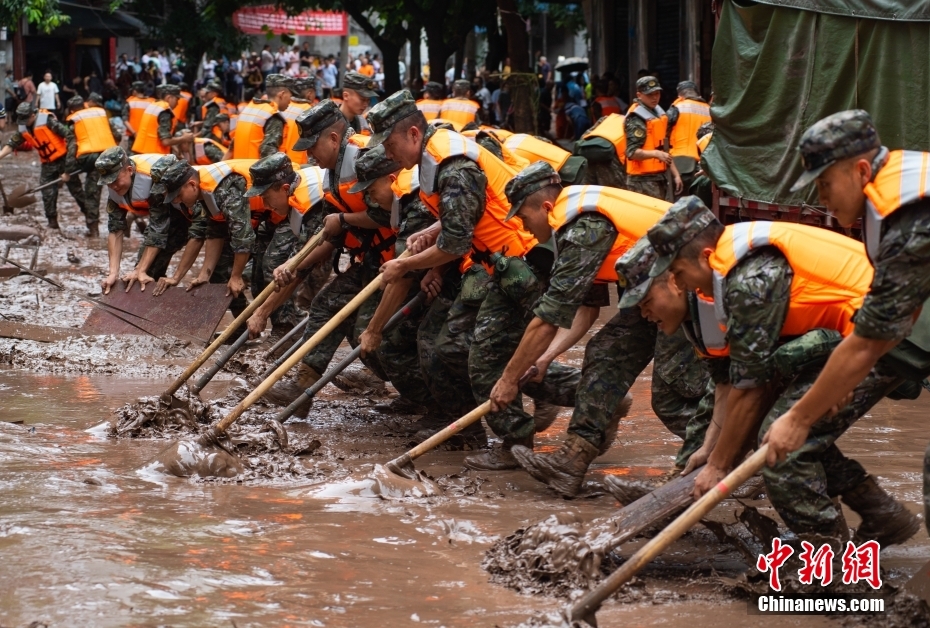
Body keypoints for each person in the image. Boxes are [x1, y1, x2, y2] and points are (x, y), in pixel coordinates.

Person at [645, 196, 919, 547]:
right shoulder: (731, 265)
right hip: (866, 330)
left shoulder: (748, 279)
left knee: (781, 446)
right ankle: (881, 514)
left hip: (889, 331)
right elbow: (736, 383)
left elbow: (750, 388)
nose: (681, 284)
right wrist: (712, 452)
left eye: (679, 273)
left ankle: (827, 559)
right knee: (786, 429)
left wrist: (719, 466)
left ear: (705, 256)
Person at [487, 163, 710, 491]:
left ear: (546, 207)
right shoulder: (573, 225)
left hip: (688, 286)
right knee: (606, 352)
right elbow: (586, 309)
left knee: (672, 394)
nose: (525, 228)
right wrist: (545, 358)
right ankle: (573, 458)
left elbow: (549, 317)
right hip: (652, 292)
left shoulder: (583, 228)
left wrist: (508, 380)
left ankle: (731, 461)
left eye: (524, 217)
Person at [762, 110, 930, 538]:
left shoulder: (909, 214)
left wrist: (798, 419)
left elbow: (870, 342)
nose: (821, 198)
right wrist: (840, 383)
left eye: (824, 183)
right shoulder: (892, 193)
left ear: (860, 171)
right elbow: (896, 318)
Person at [367, 90, 539, 448]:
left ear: (413, 133)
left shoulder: (454, 165)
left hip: (519, 263)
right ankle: (469, 431)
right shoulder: (433, 158)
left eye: (390, 144)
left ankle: (519, 436)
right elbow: (460, 219)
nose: (387, 155)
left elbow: (455, 244)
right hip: (491, 265)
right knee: (449, 347)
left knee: (479, 356)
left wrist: (404, 264)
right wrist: (433, 231)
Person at [255, 103, 396, 410]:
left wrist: (344, 220)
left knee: (369, 333)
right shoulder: (332, 172)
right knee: (326, 304)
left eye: (312, 146)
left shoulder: (364, 158)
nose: (308, 156)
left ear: (333, 139)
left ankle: (420, 394)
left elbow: (390, 214)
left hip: (400, 259)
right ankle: (302, 389)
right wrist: (293, 263)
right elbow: (330, 237)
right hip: (374, 258)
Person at [96, 148, 180, 293]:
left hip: (186, 214)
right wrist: (113, 273)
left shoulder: (152, 179)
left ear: (129, 170)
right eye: (108, 183)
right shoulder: (115, 189)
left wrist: (140, 270)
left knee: (145, 269)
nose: (113, 186)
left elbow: (158, 230)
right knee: (145, 272)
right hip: (162, 218)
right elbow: (115, 230)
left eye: (115, 180)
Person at [0, 102, 88, 229]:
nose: (24, 123)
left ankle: (91, 220)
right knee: (47, 192)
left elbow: (69, 135)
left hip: (64, 159)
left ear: (32, 115)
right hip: (48, 163)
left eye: (26, 120)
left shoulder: (48, 121)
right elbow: (11, 144)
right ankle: (52, 224)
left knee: (76, 191)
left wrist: (70, 166)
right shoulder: (24, 128)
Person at [64, 95, 120, 236]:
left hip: (90, 159)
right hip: (111, 156)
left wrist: (67, 172)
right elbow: (118, 136)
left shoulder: (75, 121)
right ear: (84, 105)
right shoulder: (100, 113)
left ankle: (93, 229)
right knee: (119, 190)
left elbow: (71, 150)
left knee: (91, 193)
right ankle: (131, 219)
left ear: (71, 110)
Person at [624, 76, 681, 200]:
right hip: (641, 182)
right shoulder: (636, 119)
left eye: (657, 93)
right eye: (650, 94)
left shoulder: (657, 114)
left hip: (660, 178)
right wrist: (656, 154)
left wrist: (676, 174)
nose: (655, 98)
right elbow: (631, 152)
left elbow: (664, 149)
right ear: (639, 95)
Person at [666, 81, 710, 194]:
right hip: (704, 165)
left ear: (680, 95)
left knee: (679, 200)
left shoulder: (678, 107)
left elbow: (663, 131)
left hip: (681, 164)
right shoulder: (709, 109)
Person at [230, 74, 289, 159]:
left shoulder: (249, 109)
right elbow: (268, 158)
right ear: (282, 95)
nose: (291, 101)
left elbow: (232, 146)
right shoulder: (273, 117)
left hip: (239, 165)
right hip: (254, 166)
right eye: (291, 96)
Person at [131, 84, 192, 156]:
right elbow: (165, 141)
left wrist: (176, 150)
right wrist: (184, 138)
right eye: (177, 99)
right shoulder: (165, 112)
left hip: (141, 152)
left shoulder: (154, 105)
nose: (177, 103)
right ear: (169, 98)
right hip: (154, 156)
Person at [575, 112, 626, 189]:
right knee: (613, 194)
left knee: (588, 192)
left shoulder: (607, 118)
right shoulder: (637, 124)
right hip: (613, 165)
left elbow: (583, 138)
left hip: (590, 157)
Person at [122, 81, 152, 145]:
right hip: (148, 136)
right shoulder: (152, 102)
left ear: (135, 91)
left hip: (133, 136)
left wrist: (134, 133)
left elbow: (125, 120)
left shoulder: (130, 102)